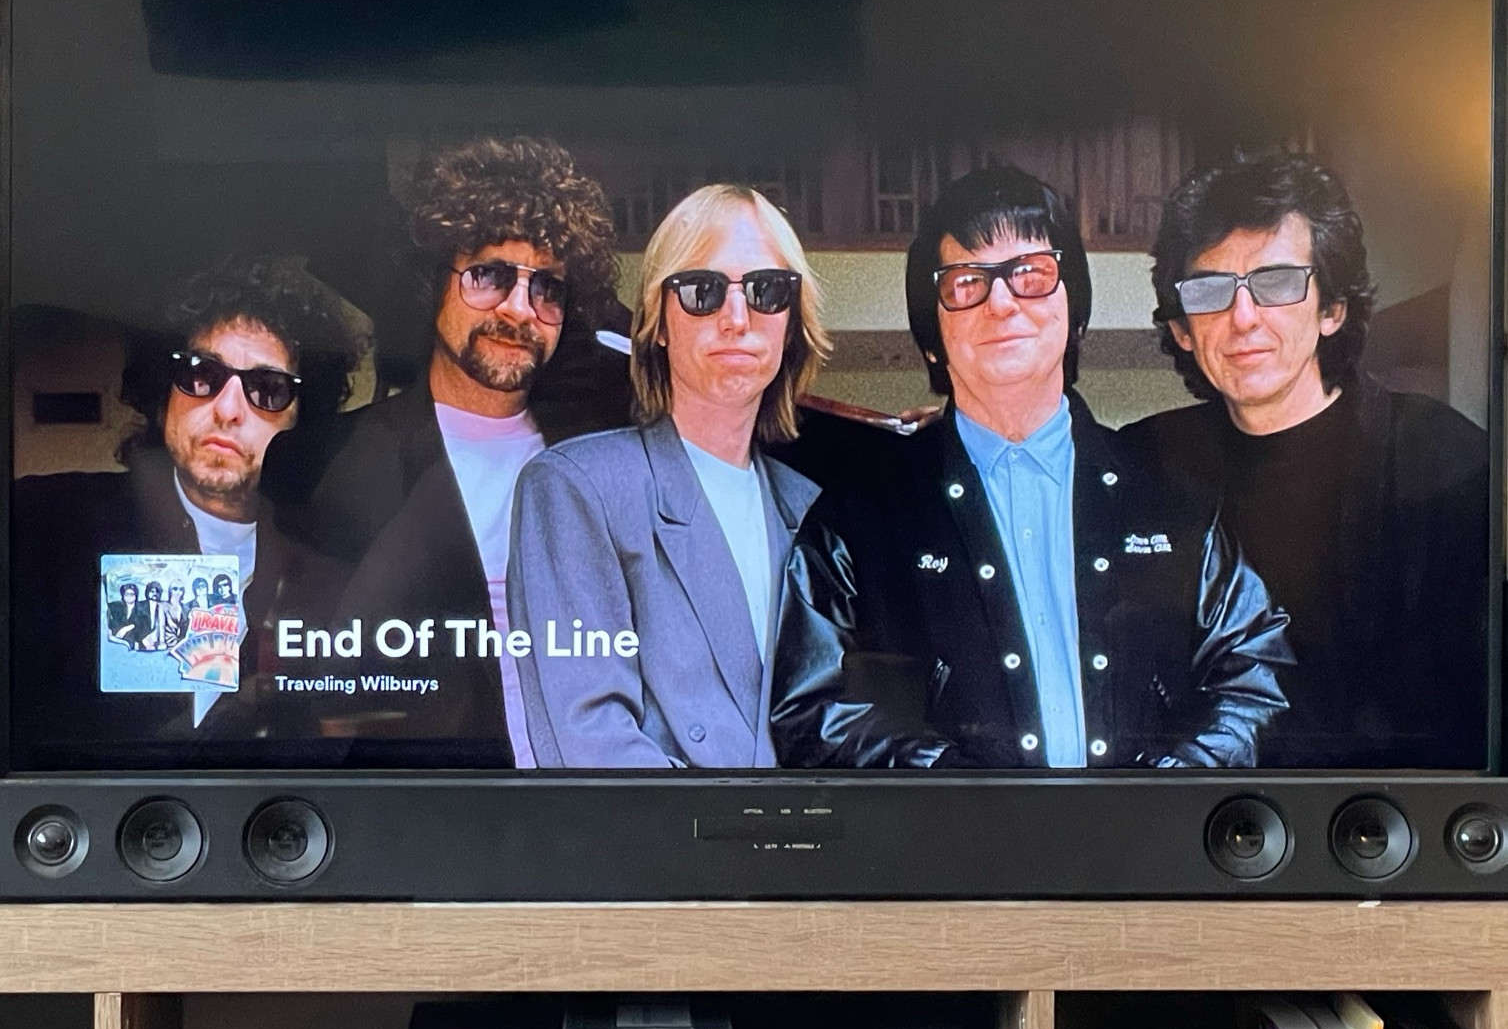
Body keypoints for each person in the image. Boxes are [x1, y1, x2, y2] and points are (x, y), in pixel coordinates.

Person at [770, 164, 1293, 770]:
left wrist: (1160, 795)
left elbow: (1254, 673)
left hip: (1147, 856)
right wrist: (966, 799)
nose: (1001, 302)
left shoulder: (1170, 496)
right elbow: (815, 711)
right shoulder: (860, 518)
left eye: (1031, 274)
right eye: (965, 281)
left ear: (1074, 312)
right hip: (947, 860)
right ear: (931, 334)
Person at [264, 135, 627, 764]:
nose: (521, 310)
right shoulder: (320, 461)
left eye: (548, 289)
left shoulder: (603, 456)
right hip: (420, 811)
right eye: (489, 275)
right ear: (434, 281)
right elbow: (318, 675)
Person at [1120, 154, 1490, 768]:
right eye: (1210, 291)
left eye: (1277, 283)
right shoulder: (1140, 461)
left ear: (1331, 309)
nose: (1244, 319)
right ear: (1182, 328)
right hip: (1188, 819)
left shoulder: (1447, 462)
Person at [508, 184, 829, 768]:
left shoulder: (810, 510)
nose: (737, 319)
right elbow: (591, 746)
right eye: (703, 291)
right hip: (664, 854)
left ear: (791, 322)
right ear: (657, 321)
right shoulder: (577, 489)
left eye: (767, 291)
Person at [10, 256, 361, 765]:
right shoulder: (42, 524)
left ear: (302, 420)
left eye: (267, 389)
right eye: (201, 376)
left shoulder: (336, 563)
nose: (227, 407)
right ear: (160, 396)